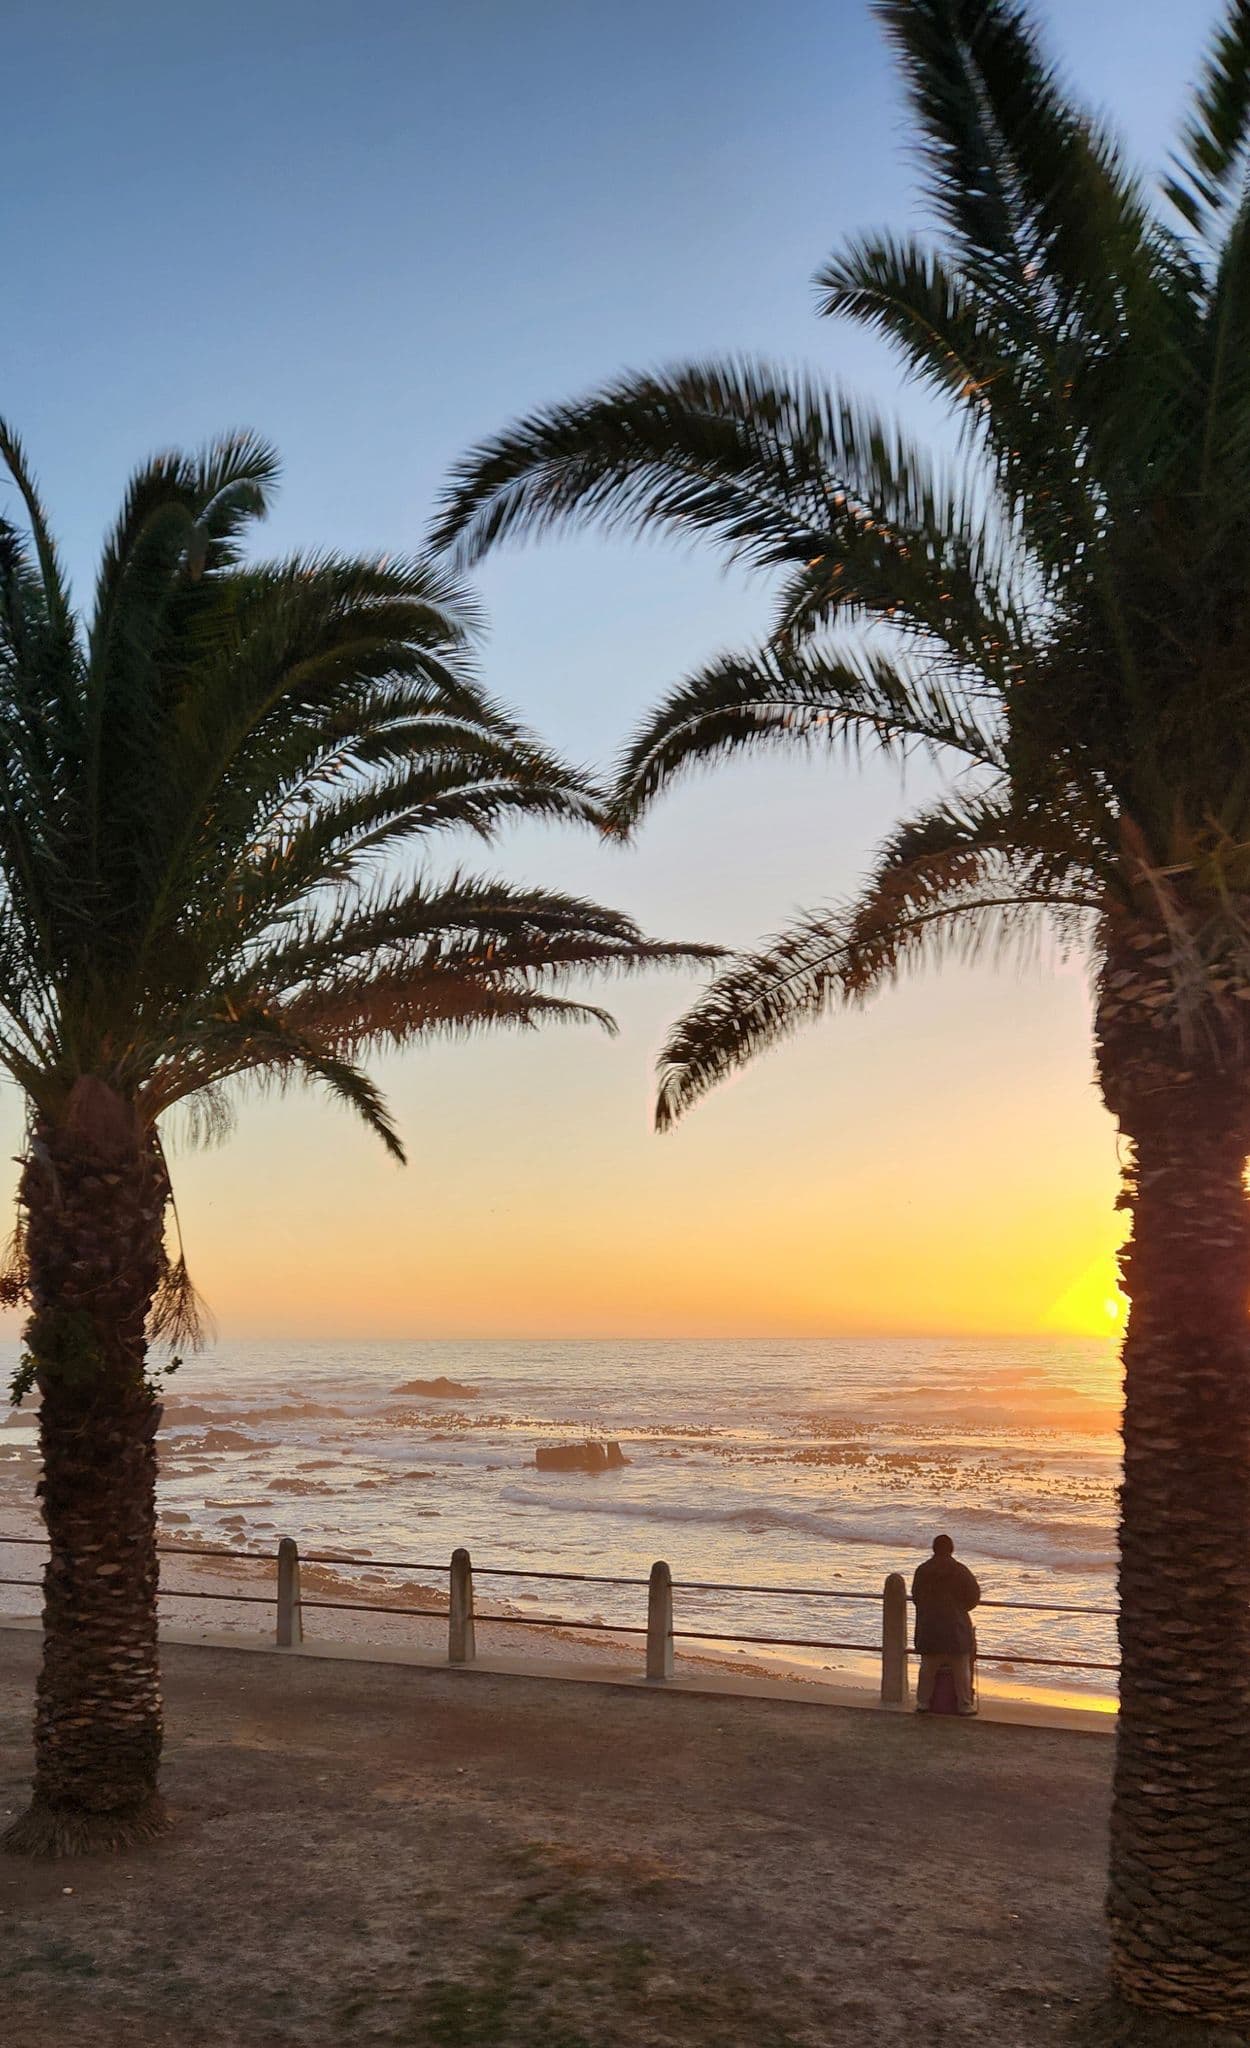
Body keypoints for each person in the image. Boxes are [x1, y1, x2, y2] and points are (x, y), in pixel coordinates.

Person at [911, 1533, 980, 1715]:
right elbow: (974, 1598)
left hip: (929, 1629)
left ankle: (923, 1703)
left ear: (934, 1549)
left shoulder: (922, 1570)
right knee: (961, 1670)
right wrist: (959, 1609)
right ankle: (964, 1705)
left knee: (927, 1669)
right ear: (952, 1549)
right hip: (955, 1629)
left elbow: (916, 1597)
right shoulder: (961, 1571)